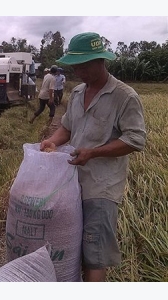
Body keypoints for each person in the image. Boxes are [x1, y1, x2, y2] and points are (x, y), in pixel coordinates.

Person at [39, 32, 147, 282]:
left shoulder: (124, 96)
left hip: (101, 187)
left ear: (101, 61)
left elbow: (135, 139)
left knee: (94, 253)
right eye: (75, 66)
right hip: (71, 184)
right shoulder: (77, 93)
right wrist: (52, 141)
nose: (78, 71)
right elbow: (67, 127)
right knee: (71, 246)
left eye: (84, 65)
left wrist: (93, 152)